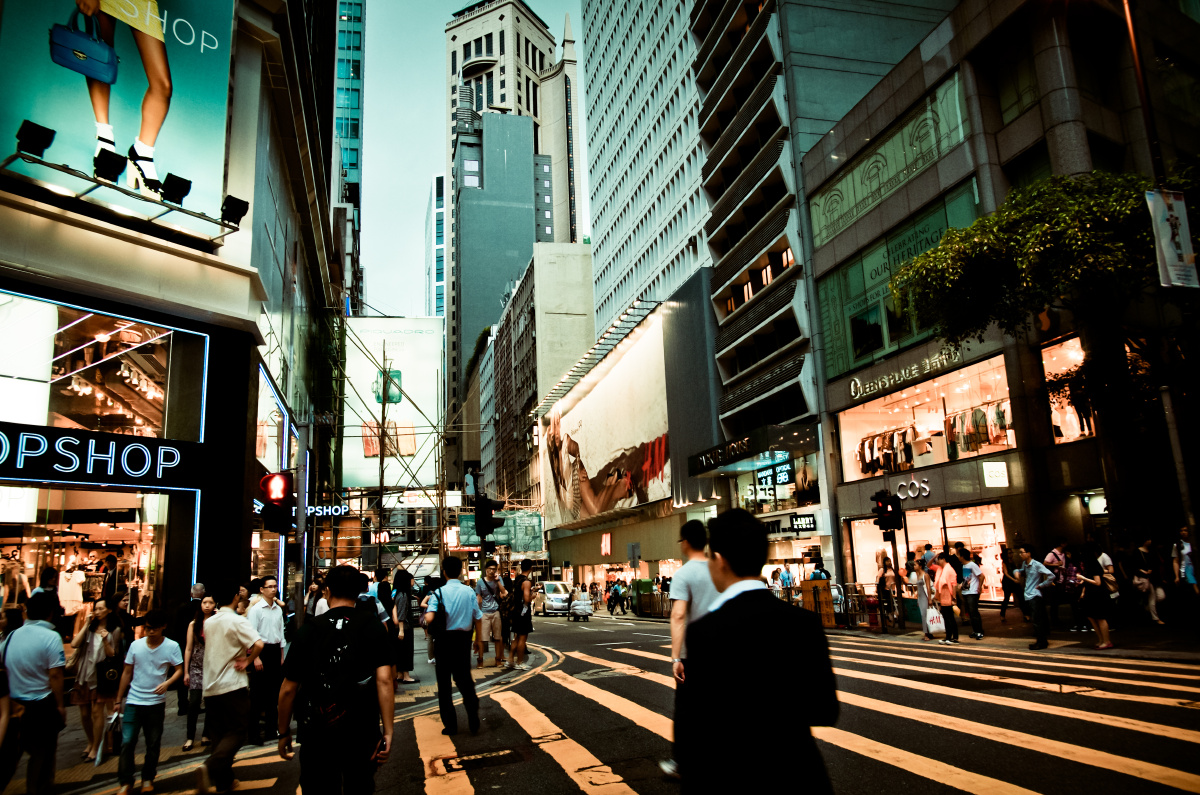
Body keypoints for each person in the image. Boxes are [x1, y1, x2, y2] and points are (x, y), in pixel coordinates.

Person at [678, 510, 836, 790]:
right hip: (801, 773)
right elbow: (825, 710)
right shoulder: (804, 623)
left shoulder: (704, 632)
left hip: (734, 774)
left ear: (719, 561)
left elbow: (698, 732)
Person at [277, 565, 394, 793]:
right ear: (357, 592)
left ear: (327, 591)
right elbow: (384, 681)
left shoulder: (309, 630)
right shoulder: (372, 626)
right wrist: (388, 732)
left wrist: (283, 732)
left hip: (317, 732)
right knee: (360, 787)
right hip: (362, 731)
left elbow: (288, 689)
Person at [659, 520, 717, 779]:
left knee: (686, 709)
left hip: (694, 654)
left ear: (686, 542)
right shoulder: (719, 569)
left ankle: (681, 762)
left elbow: (679, 616)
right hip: (722, 651)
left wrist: (676, 657)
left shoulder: (683, 574)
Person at [195, 581, 264, 795]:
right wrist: (248, 661)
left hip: (211, 686)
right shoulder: (236, 620)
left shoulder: (210, 622)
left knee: (218, 735)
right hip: (233, 684)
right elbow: (259, 643)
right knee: (237, 731)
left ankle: (224, 782)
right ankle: (210, 767)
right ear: (235, 597)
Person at [0, 592, 66, 794]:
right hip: (41, 705)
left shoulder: (11, 636)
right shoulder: (52, 637)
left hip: (13, 707)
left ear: (27, 612)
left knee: (9, 758)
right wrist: (60, 706)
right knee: (42, 757)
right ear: (50, 613)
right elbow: (55, 675)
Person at [115, 609, 182, 794]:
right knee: (127, 742)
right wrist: (118, 699)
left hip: (156, 703)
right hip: (134, 701)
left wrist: (167, 683)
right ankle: (125, 781)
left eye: (153, 628)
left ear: (163, 627)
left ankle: (147, 778)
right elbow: (126, 672)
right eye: (146, 628)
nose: (149, 632)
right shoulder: (136, 646)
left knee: (153, 743)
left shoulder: (171, 646)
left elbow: (179, 669)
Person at [424, 556, 483, 736]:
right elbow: (478, 617)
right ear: (460, 571)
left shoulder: (438, 593)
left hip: (443, 642)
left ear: (444, 572)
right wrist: (478, 640)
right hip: (463, 641)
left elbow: (430, 618)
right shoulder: (469, 592)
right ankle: (473, 719)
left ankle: (451, 725)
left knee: (444, 685)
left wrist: (426, 617)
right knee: (465, 681)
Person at [69, 596, 122, 762]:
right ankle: (91, 741)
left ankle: (96, 746)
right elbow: (74, 644)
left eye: (101, 608)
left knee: (96, 712)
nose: (97, 612)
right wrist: (86, 623)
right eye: (96, 608)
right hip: (84, 673)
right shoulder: (90, 628)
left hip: (101, 675)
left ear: (109, 610)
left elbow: (113, 654)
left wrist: (106, 641)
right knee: (84, 713)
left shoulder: (115, 629)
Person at [246, 575, 285, 746]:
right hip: (260, 652)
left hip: (275, 651)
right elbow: (251, 634)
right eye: (269, 586)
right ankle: (253, 734)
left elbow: (281, 633)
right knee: (257, 694)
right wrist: (256, 658)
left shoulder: (278, 609)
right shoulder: (256, 610)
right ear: (262, 590)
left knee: (273, 693)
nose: (273, 589)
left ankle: (271, 729)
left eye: (275, 586)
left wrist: (282, 655)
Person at [183, 595, 216, 750]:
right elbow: (188, 648)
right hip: (196, 667)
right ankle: (190, 737)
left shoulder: (217, 623)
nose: (207, 605)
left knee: (210, 703)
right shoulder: (193, 624)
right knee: (194, 702)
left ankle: (206, 734)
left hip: (212, 666)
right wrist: (186, 672)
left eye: (210, 603)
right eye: (204, 603)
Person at [170, 583, 204, 716]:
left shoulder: (182, 608)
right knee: (199, 674)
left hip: (183, 644)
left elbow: (176, 627)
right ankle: (196, 703)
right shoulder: (204, 608)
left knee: (183, 675)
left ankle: (182, 705)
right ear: (203, 593)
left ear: (191, 594)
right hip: (199, 646)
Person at [1076, 543, 1114, 650]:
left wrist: (1083, 577)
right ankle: (1101, 640)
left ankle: (1106, 641)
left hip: (1098, 594)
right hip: (1091, 594)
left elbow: (1098, 582)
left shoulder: (1093, 564)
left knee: (1100, 617)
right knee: (1093, 617)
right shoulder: (1089, 565)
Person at [1017, 544, 1055, 650]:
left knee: (1037, 620)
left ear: (1028, 553)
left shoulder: (1036, 564)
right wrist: (1016, 571)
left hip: (1035, 595)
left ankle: (1042, 642)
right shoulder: (1025, 564)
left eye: (1022, 552)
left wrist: (1042, 585)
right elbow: (1020, 571)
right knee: (1036, 620)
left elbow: (1051, 575)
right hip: (1028, 595)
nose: (1020, 555)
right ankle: (1041, 641)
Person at [475, 560, 507, 669]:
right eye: (490, 569)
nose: (492, 571)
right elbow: (478, 597)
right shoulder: (480, 582)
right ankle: (480, 660)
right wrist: (477, 612)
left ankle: (498, 660)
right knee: (482, 638)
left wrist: (498, 580)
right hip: (484, 612)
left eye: (494, 569)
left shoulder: (498, 579)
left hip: (496, 611)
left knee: (497, 637)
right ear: (486, 569)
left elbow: (504, 592)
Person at [391, 571, 419, 685]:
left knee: (400, 651)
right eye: (411, 579)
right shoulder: (403, 594)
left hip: (398, 627)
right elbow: (401, 613)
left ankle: (400, 674)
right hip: (405, 627)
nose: (413, 581)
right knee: (406, 651)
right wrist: (401, 630)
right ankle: (406, 676)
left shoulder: (395, 592)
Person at [1132, 538, 1165, 624]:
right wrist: (1142, 571)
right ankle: (1156, 618)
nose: (1150, 541)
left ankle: (1148, 608)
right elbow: (1134, 566)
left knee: (1161, 596)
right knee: (1152, 597)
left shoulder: (1152, 551)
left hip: (1155, 577)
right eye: (1148, 539)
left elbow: (1157, 563)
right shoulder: (1137, 552)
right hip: (1145, 577)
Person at [509, 560, 534, 669]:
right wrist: (534, 595)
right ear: (531, 568)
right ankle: (519, 662)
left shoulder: (517, 579)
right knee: (522, 638)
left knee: (516, 637)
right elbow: (527, 599)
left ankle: (510, 660)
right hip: (523, 613)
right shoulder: (527, 582)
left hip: (516, 611)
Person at [958, 548, 984, 640]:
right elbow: (967, 578)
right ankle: (975, 631)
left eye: (959, 555)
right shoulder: (964, 566)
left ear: (962, 556)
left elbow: (981, 576)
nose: (958, 557)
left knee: (974, 612)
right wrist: (961, 585)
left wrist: (979, 587)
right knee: (970, 612)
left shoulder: (972, 565)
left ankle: (979, 631)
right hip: (966, 591)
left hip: (972, 592)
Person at [933, 553, 959, 645]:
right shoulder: (941, 569)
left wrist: (954, 598)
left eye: (939, 559)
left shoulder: (949, 569)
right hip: (943, 596)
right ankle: (948, 636)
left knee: (950, 618)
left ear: (943, 559)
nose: (937, 561)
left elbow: (954, 585)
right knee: (946, 618)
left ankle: (954, 637)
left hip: (948, 594)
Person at [999, 546, 1028, 623]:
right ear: (1006, 554)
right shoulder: (1004, 562)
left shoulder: (1013, 561)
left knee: (1021, 598)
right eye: (1009, 553)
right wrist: (1014, 580)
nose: (1011, 554)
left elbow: (1015, 571)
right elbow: (1006, 573)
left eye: (1012, 552)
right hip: (1007, 582)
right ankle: (1002, 615)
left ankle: (1026, 614)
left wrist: (1017, 578)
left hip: (1014, 582)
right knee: (1007, 599)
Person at [1044, 539, 1068, 627]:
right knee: (1054, 602)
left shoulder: (1063, 554)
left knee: (1057, 601)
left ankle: (1056, 620)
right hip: (1055, 581)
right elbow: (1045, 563)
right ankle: (1054, 621)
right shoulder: (1052, 554)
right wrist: (1056, 565)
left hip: (1061, 579)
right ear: (1062, 544)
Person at [913, 558, 935, 641]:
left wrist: (929, 599)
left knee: (925, 615)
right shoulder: (918, 574)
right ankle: (928, 632)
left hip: (925, 597)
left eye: (915, 565)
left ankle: (927, 634)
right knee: (924, 615)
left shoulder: (925, 575)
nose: (914, 566)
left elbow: (928, 588)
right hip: (921, 597)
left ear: (920, 566)